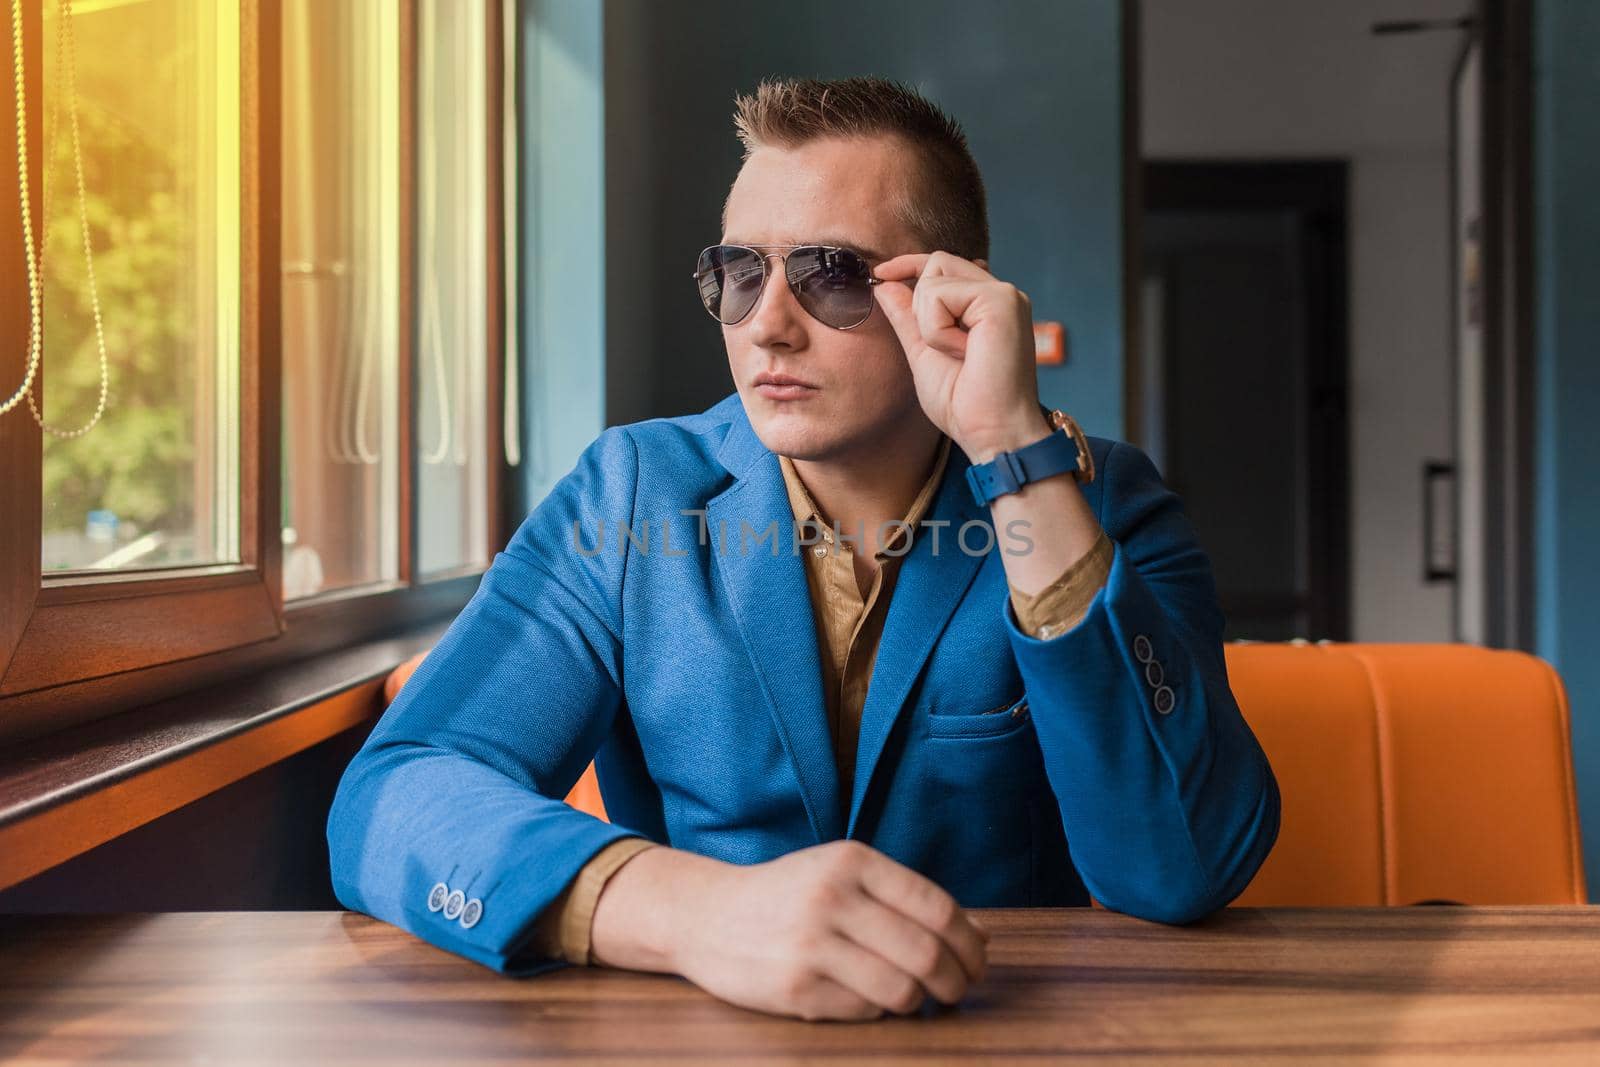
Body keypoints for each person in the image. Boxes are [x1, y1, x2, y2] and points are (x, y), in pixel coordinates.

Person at [327, 75, 1280, 1023]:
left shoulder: (1096, 500)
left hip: (1006, 1035)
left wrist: (1010, 453)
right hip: (699, 1036)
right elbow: (395, 796)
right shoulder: (630, 495)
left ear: (949, 294)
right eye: (739, 273)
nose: (768, 325)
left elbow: (1181, 867)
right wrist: (694, 913)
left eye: (831, 275)